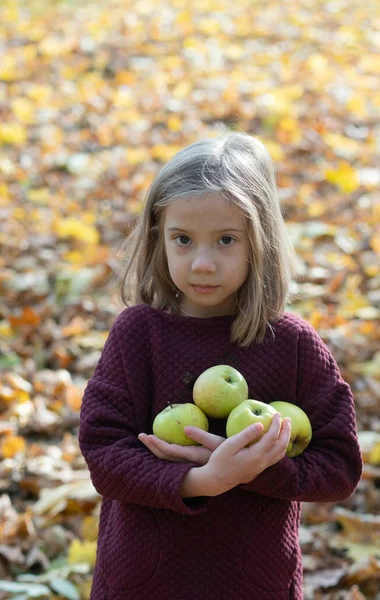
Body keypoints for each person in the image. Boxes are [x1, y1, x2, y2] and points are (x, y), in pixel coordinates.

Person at [79, 130, 362, 600]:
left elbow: (339, 466)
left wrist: (256, 469)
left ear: (260, 242)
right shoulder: (137, 335)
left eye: (226, 240)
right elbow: (103, 454)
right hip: (145, 582)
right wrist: (205, 480)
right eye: (183, 239)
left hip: (251, 583)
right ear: (159, 238)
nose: (203, 263)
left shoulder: (291, 344)